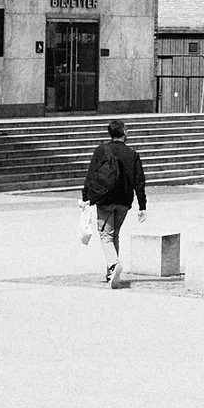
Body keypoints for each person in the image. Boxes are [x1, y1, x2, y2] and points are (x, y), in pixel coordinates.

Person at [81, 120, 148, 286]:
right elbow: (139, 181)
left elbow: (91, 174)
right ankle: (111, 273)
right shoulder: (132, 154)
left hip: (105, 199)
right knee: (114, 234)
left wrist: (85, 196)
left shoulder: (102, 150)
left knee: (105, 236)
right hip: (124, 201)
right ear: (124, 132)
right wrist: (142, 206)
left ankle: (114, 265)